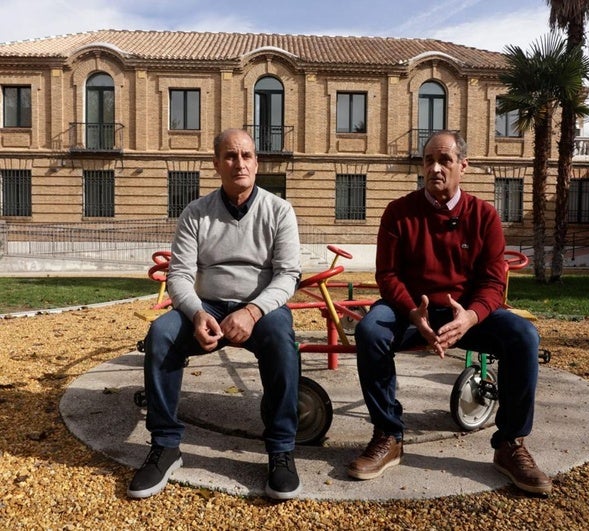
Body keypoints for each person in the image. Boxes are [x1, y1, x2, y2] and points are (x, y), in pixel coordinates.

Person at [347, 130, 552, 495]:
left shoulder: (484, 216)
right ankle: (389, 435)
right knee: (370, 331)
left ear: (463, 166)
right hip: (409, 311)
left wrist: (470, 317)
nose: (435, 168)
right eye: (428, 160)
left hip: (466, 313)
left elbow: (493, 282)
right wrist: (413, 312)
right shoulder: (398, 212)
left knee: (523, 336)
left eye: (444, 160)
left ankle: (510, 445)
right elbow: (387, 276)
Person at [127, 128, 303, 500]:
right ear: (215, 164)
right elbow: (179, 274)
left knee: (282, 340)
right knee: (161, 334)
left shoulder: (279, 210)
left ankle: (281, 449)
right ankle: (165, 445)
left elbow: (288, 275)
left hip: (259, 307)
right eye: (230, 156)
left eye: (246, 156)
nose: (239, 163)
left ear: (256, 163)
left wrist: (253, 311)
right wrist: (193, 314)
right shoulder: (195, 213)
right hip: (205, 306)